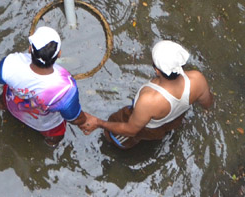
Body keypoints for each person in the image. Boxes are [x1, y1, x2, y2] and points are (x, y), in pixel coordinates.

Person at [80, 40, 213, 149]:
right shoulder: (197, 80)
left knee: (116, 136)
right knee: (159, 131)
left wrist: (99, 123)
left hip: (148, 128)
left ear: (157, 70)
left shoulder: (149, 100)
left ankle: (111, 143)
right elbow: (207, 103)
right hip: (174, 120)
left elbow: (130, 130)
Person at [0, 26, 88, 146]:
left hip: (12, 105)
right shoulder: (65, 88)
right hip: (44, 124)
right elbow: (73, 118)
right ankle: (50, 144)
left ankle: (2, 108)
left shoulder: (11, 63)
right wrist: (85, 120)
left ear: (30, 49)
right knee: (55, 137)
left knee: (3, 101)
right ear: (59, 54)